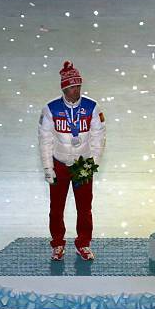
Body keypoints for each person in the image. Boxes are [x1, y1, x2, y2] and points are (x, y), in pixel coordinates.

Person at [38, 61, 106, 261]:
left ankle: (83, 243)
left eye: (78, 86)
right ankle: (58, 243)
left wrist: (93, 163)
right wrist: (48, 168)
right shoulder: (51, 109)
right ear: (65, 88)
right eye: (72, 87)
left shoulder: (92, 107)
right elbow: (45, 140)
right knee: (56, 207)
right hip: (59, 163)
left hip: (82, 164)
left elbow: (98, 138)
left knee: (84, 207)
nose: (76, 90)